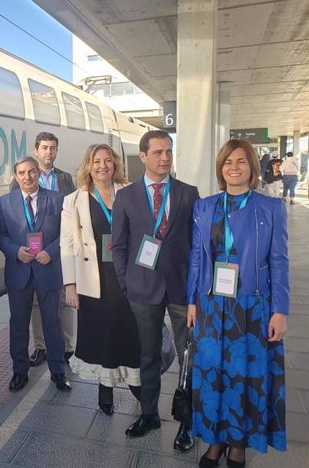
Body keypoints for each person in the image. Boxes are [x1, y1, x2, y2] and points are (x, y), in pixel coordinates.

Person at [186, 139, 289, 468]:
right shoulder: (205, 207)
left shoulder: (270, 208)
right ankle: (214, 442)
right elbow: (196, 260)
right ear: (220, 168)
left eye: (241, 161)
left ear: (252, 168)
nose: (234, 167)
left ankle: (238, 445)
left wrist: (281, 310)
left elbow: (280, 261)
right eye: (228, 161)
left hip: (252, 308)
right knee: (213, 375)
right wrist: (191, 301)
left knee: (245, 377)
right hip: (211, 306)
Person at [112, 130, 199, 451]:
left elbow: (199, 246)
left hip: (181, 290)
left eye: (169, 152)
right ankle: (149, 413)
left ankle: (187, 422)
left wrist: (197, 288)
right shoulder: (127, 197)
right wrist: (126, 281)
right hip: (142, 289)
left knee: (188, 356)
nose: (165, 158)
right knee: (148, 354)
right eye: (158, 152)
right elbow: (118, 245)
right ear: (144, 156)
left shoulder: (189, 194)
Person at [60, 144, 141, 415]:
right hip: (93, 279)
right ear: (89, 165)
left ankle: (137, 385)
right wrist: (70, 285)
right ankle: (105, 392)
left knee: (128, 332)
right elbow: (67, 245)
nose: (103, 166)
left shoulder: (129, 192)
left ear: (115, 164)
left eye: (108, 160)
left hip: (126, 276)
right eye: (97, 161)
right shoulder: (74, 200)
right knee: (102, 334)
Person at [0, 156, 71, 393]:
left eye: (31, 172)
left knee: (53, 322)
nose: (27, 177)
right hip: (19, 272)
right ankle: (20, 371)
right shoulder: (5, 202)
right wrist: (15, 250)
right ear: (16, 176)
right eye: (21, 173)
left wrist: (50, 251)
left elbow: (67, 234)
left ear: (38, 173)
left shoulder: (58, 199)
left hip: (48, 271)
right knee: (18, 324)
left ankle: (58, 372)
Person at [10, 131, 76, 367]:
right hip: (27, 262)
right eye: (45, 148)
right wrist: (17, 250)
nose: (49, 152)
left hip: (55, 259)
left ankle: (64, 354)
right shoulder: (13, 192)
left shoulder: (65, 181)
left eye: (53, 147)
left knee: (60, 311)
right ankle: (37, 350)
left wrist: (53, 250)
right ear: (37, 151)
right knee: (30, 314)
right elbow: (10, 224)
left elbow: (69, 223)